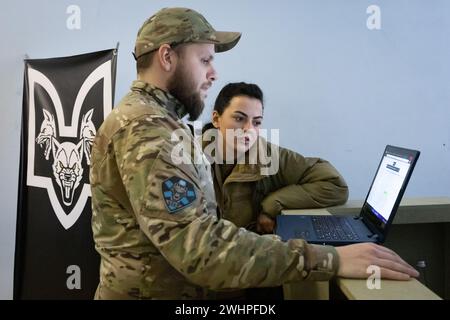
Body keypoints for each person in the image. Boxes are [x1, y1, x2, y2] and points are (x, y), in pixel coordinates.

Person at [90, 7, 419, 300]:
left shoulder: (156, 122)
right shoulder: (148, 130)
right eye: (205, 59)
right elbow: (200, 249)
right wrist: (331, 259)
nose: (213, 73)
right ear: (167, 57)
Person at [202, 82, 349, 235]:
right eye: (239, 119)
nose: (249, 129)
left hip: (248, 253)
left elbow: (334, 184)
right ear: (216, 119)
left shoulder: (268, 156)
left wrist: (273, 204)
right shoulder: (188, 157)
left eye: (256, 122)